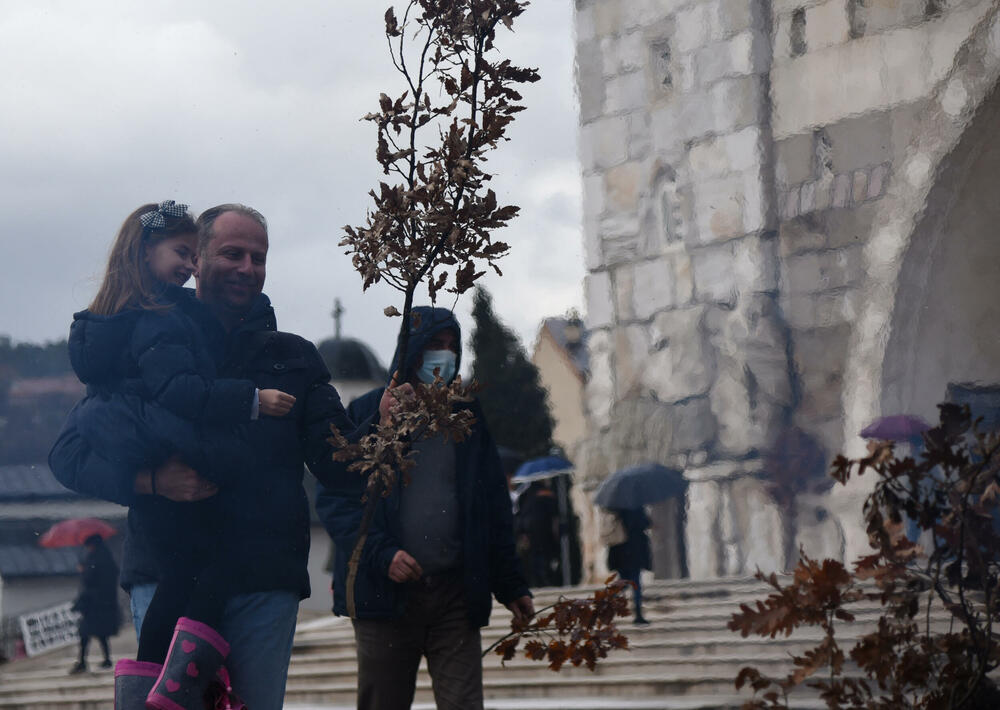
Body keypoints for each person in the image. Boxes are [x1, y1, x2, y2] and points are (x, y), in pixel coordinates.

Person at [50, 203, 388, 710]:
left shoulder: (294, 357)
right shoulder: (153, 336)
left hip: (262, 577)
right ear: (196, 260)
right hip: (166, 574)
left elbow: (341, 468)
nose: (247, 268)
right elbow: (69, 454)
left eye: (258, 257)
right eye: (232, 253)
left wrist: (388, 424)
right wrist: (150, 482)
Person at [316, 306, 534, 710]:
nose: (445, 355)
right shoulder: (369, 412)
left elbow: (490, 506)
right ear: (411, 350)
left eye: (452, 346)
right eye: (434, 345)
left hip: (454, 593)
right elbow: (336, 499)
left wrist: (511, 584)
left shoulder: (465, 416)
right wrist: (382, 554)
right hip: (385, 597)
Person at [70, 534, 121, 674]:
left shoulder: (94, 559)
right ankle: (106, 658)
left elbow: (90, 579)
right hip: (106, 603)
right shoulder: (108, 557)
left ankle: (82, 661)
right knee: (101, 632)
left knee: (85, 632)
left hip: (93, 603)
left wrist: (83, 570)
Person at [607, 508, 652, 625]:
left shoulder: (615, 509)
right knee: (635, 582)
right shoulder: (636, 507)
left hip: (620, 552)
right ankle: (638, 613)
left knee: (625, 582)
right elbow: (645, 523)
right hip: (634, 551)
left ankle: (607, 603)